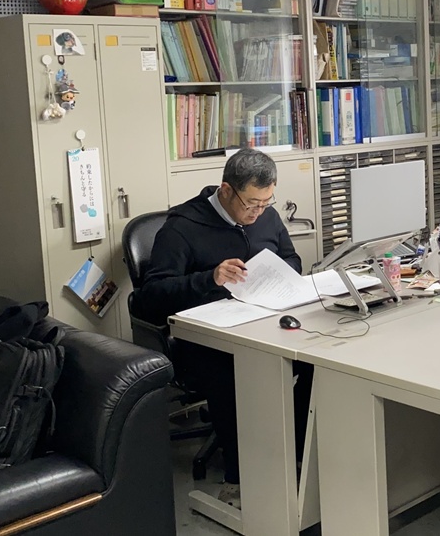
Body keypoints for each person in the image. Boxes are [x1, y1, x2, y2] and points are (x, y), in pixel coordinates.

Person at [132, 148, 308, 506]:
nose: (258, 213)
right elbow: (150, 296)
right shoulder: (182, 227)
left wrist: (278, 273)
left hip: (263, 319)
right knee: (234, 374)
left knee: (311, 362)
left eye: (266, 203)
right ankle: (238, 477)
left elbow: (291, 258)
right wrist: (209, 278)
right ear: (226, 190)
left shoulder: (267, 216)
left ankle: (297, 456)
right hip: (204, 338)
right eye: (251, 204)